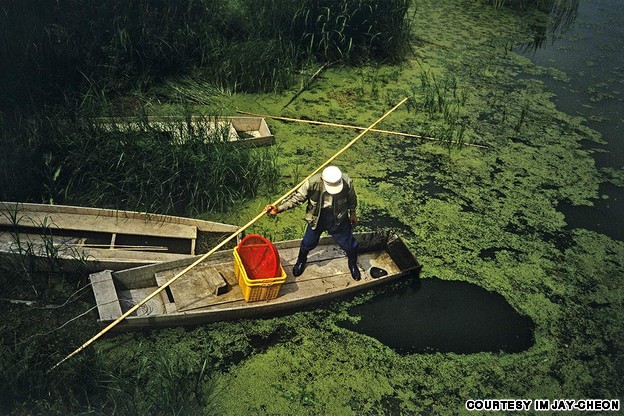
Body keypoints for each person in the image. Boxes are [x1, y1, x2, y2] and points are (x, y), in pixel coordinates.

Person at [265, 165, 361, 281]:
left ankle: (352, 264)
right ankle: (301, 260)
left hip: (339, 217)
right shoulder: (311, 183)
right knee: (308, 242)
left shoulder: (347, 182)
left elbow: (352, 199)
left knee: (349, 244)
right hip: (317, 217)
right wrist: (279, 208)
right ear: (323, 180)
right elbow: (297, 198)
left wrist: (353, 213)